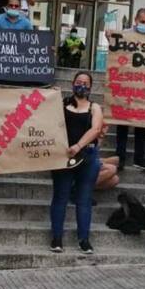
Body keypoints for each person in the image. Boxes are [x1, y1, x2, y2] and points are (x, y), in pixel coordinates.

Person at [50, 72, 103, 254]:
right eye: (79, 82)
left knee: (84, 200)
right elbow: (46, 117)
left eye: (86, 83)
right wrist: (51, 97)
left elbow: (96, 129)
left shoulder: (95, 107)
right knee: (60, 197)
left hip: (87, 157)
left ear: (90, 87)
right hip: (63, 157)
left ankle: (84, 239)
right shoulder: (62, 104)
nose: (82, 85)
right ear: (72, 84)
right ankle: (56, 238)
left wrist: (79, 145)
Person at [108, 8, 145, 170]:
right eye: (142, 21)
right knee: (122, 124)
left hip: (141, 87)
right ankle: (120, 157)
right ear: (135, 20)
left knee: (142, 124)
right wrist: (109, 36)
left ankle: (139, 158)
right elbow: (115, 50)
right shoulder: (125, 35)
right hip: (125, 86)